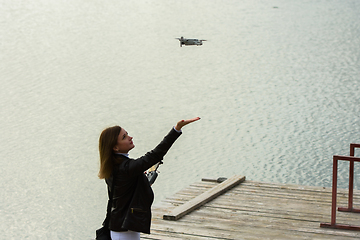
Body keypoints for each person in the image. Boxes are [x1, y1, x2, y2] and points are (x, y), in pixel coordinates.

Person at [98, 117, 200, 240]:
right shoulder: (126, 168)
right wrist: (176, 129)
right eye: (124, 137)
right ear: (115, 148)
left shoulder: (113, 167)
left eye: (127, 134)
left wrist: (143, 182)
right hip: (124, 229)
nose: (130, 137)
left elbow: (125, 192)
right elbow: (155, 155)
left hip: (121, 225)